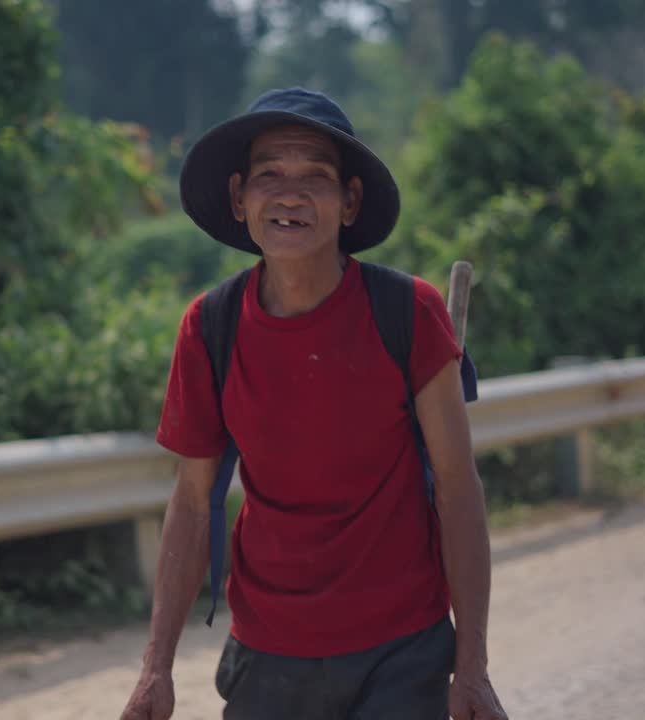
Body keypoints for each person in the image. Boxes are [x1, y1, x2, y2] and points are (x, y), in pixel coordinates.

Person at [119, 87, 508, 720]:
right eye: (270, 174)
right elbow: (191, 501)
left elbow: (458, 487)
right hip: (267, 655)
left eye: (316, 177)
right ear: (239, 197)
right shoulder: (210, 327)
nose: (291, 195)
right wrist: (155, 668)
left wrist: (472, 667)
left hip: (401, 650)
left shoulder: (409, 312)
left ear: (349, 201)